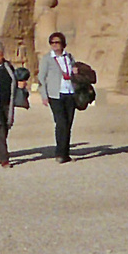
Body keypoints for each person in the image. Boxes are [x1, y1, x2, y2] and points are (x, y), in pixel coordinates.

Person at [39, 32, 80, 163]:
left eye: (57, 42)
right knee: (61, 123)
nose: (55, 45)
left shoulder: (69, 57)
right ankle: (59, 153)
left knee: (68, 124)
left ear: (63, 43)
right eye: (52, 43)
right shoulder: (47, 59)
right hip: (55, 94)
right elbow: (41, 77)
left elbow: (74, 70)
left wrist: (75, 72)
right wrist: (44, 95)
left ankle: (66, 153)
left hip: (70, 92)